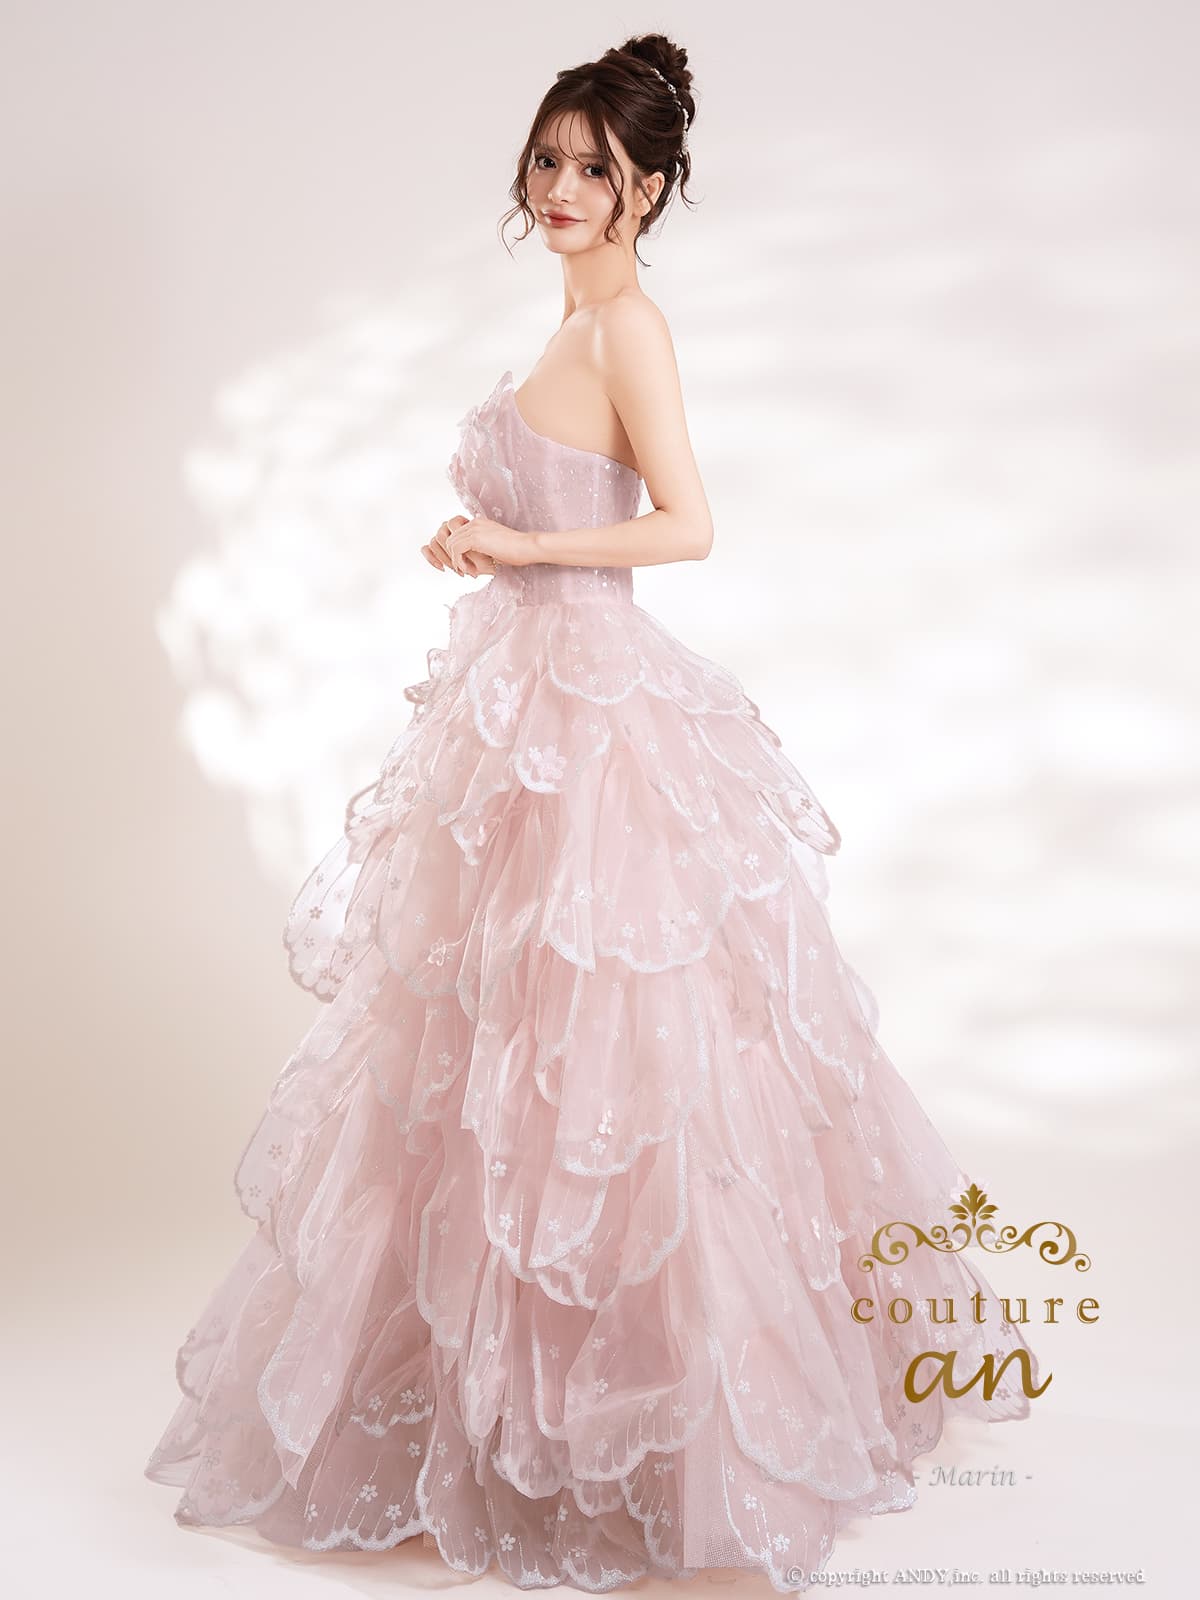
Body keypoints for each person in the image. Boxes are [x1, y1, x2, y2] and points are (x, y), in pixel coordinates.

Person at [145, 32, 1038, 1593]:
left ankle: (665, 1435)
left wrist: (521, 544)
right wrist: (487, 542)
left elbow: (689, 525)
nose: (561, 187)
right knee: (484, 1062)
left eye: (596, 169)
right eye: (549, 160)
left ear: (653, 190)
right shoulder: (569, 322)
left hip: (595, 718)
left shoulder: (629, 328)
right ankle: (493, 1421)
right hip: (518, 714)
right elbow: (565, 508)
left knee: (624, 1061)